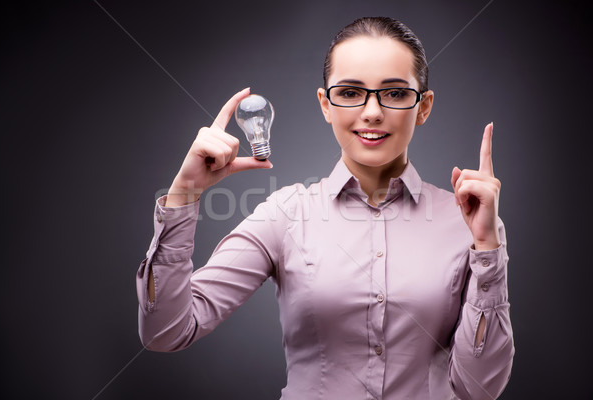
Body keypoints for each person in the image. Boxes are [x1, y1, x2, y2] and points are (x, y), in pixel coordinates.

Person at [136, 16, 514, 400]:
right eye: (350, 93)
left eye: (395, 93)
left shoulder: (466, 221)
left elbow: (479, 389)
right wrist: (183, 194)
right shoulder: (285, 215)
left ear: (423, 106)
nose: (371, 112)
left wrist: (486, 248)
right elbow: (166, 332)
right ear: (325, 104)